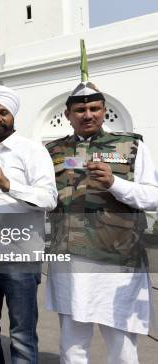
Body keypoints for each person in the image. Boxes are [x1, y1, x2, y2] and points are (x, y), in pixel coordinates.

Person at [45, 80, 158, 364]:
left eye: (95, 108)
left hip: (117, 265)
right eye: (80, 109)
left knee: (121, 346)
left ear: (104, 111)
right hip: (69, 262)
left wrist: (115, 184)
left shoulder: (130, 146)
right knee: (72, 345)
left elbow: (153, 197)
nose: (88, 114)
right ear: (68, 114)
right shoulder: (52, 151)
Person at [0, 85, 57, 364]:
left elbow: (48, 199)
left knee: (21, 335)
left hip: (20, 256)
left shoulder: (32, 151)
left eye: (3, 112)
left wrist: (9, 185)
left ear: (13, 116)